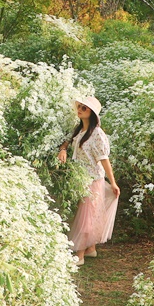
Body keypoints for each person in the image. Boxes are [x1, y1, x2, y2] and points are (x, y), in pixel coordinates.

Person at [57, 96, 120, 266]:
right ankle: (91, 249)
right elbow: (67, 141)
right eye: (80, 106)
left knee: (87, 217)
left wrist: (112, 182)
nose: (80, 110)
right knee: (85, 213)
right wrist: (63, 150)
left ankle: (80, 255)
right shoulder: (78, 130)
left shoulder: (97, 134)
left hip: (93, 180)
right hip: (80, 178)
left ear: (91, 113)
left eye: (84, 108)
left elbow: (104, 160)